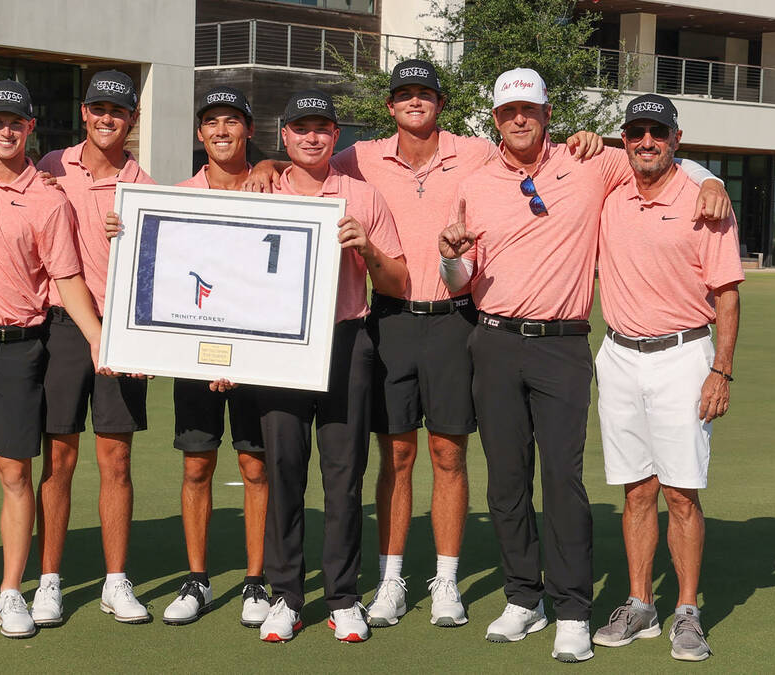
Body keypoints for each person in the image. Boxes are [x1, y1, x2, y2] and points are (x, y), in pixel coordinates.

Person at [246, 61, 604, 629]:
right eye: (404, 94)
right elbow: (303, 163)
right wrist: (264, 163)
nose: (415, 102)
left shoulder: (478, 152)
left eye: (426, 94)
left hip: (457, 318)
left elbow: (529, 156)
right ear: (389, 106)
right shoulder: (357, 158)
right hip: (386, 320)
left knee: (448, 452)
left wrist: (581, 140)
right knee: (397, 453)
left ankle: (447, 578)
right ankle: (391, 579)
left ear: (441, 102)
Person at [438, 68, 731, 663]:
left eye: (529, 109)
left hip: (563, 344)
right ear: (495, 119)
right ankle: (524, 597)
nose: (518, 119)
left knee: (565, 481)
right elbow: (460, 281)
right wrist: (450, 260)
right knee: (506, 480)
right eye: (507, 111)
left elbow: (666, 168)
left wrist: (715, 180)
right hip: (492, 339)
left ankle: (572, 605)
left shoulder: (591, 162)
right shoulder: (474, 182)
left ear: (547, 113)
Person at [0, 80, 109, 639]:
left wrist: (97, 337)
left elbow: (67, 277)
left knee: (15, 472)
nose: (6, 130)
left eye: (17, 122)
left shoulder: (50, 198)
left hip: (19, 350)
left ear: (31, 128)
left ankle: (11, 592)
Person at [589, 94, 742, 663]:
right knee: (636, 489)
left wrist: (720, 371)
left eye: (658, 132)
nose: (646, 141)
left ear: (677, 139)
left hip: (685, 355)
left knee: (680, 492)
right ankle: (639, 603)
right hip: (620, 355)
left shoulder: (705, 202)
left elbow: (726, 295)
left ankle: (686, 611)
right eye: (636, 132)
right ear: (623, 139)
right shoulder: (609, 194)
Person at [256, 89, 409, 644]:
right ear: (285, 136)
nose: (312, 137)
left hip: (348, 339)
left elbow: (398, 281)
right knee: (285, 471)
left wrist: (367, 249)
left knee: (343, 477)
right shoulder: (262, 187)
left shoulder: (363, 197)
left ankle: (343, 597)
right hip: (278, 347)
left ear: (335, 135)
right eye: (301, 128)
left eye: (322, 127)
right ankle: (286, 596)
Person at [32, 70, 156, 626]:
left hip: (123, 330)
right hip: (61, 327)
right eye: (98, 108)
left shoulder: (145, 186)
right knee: (58, 457)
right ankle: (49, 581)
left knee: (117, 458)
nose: (108, 117)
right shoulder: (51, 169)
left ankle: (115, 580)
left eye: (119, 110)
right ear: (85, 112)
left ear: (132, 119)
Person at [149, 86, 271, 628]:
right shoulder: (178, 195)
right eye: (212, 122)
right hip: (197, 354)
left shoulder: (276, 186)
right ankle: (196, 579)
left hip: (259, 356)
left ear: (248, 130)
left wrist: (274, 162)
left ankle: (256, 581)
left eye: (232, 121)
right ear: (200, 134)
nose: (222, 130)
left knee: (255, 466)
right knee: (197, 464)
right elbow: (171, 281)